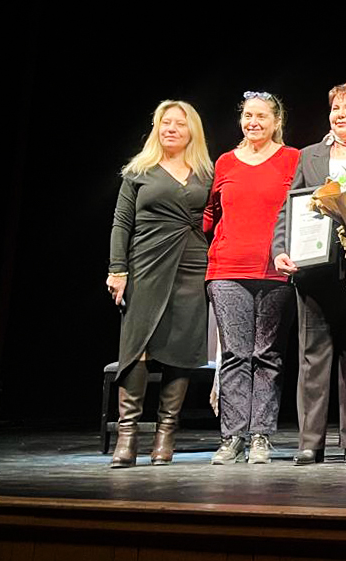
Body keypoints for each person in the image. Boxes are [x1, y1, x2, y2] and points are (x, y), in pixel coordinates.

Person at [273, 82, 346, 466]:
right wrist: (280, 249)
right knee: (313, 356)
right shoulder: (309, 155)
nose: (340, 114)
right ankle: (310, 442)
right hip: (314, 269)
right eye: (336, 107)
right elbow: (290, 208)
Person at [106, 100, 214, 467]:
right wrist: (118, 270)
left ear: (191, 132)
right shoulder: (139, 171)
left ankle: (166, 434)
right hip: (146, 265)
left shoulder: (206, 173)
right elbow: (121, 223)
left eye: (179, 124)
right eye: (165, 123)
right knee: (137, 346)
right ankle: (127, 435)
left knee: (180, 346)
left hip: (192, 265)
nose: (171, 129)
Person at [204, 92, 301, 464]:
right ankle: (232, 437)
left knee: (268, 354)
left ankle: (260, 435)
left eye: (261, 116)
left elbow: (304, 206)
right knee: (234, 354)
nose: (253, 122)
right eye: (248, 115)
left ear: (276, 121)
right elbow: (210, 214)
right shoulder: (225, 162)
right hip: (227, 269)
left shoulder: (292, 158)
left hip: (276, 271)